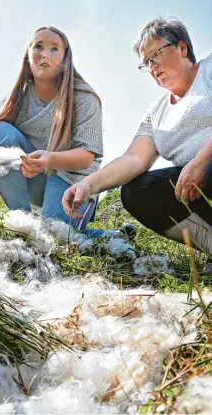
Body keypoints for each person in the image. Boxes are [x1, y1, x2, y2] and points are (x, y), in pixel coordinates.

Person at [62, 17, 212, 258]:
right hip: (196, 188)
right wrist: (87, 184)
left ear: (182, 48)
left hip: (207, 167)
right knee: (137, 191)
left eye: (156, 54)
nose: (152, 66)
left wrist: (201, 161)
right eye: (146, 62)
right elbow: (134, 159)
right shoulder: (156, 112)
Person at [0, 26, 103, 233]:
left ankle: (107, 235)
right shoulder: (18, 97)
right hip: (36, 179)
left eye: (54, 49)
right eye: (38, 47)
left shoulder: (84, 97)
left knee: (56, 233)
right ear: (28, 56)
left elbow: (87, 157)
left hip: (74, 183)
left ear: (65, 60)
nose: (45, 54)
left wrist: (50, 159)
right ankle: (22, 224)